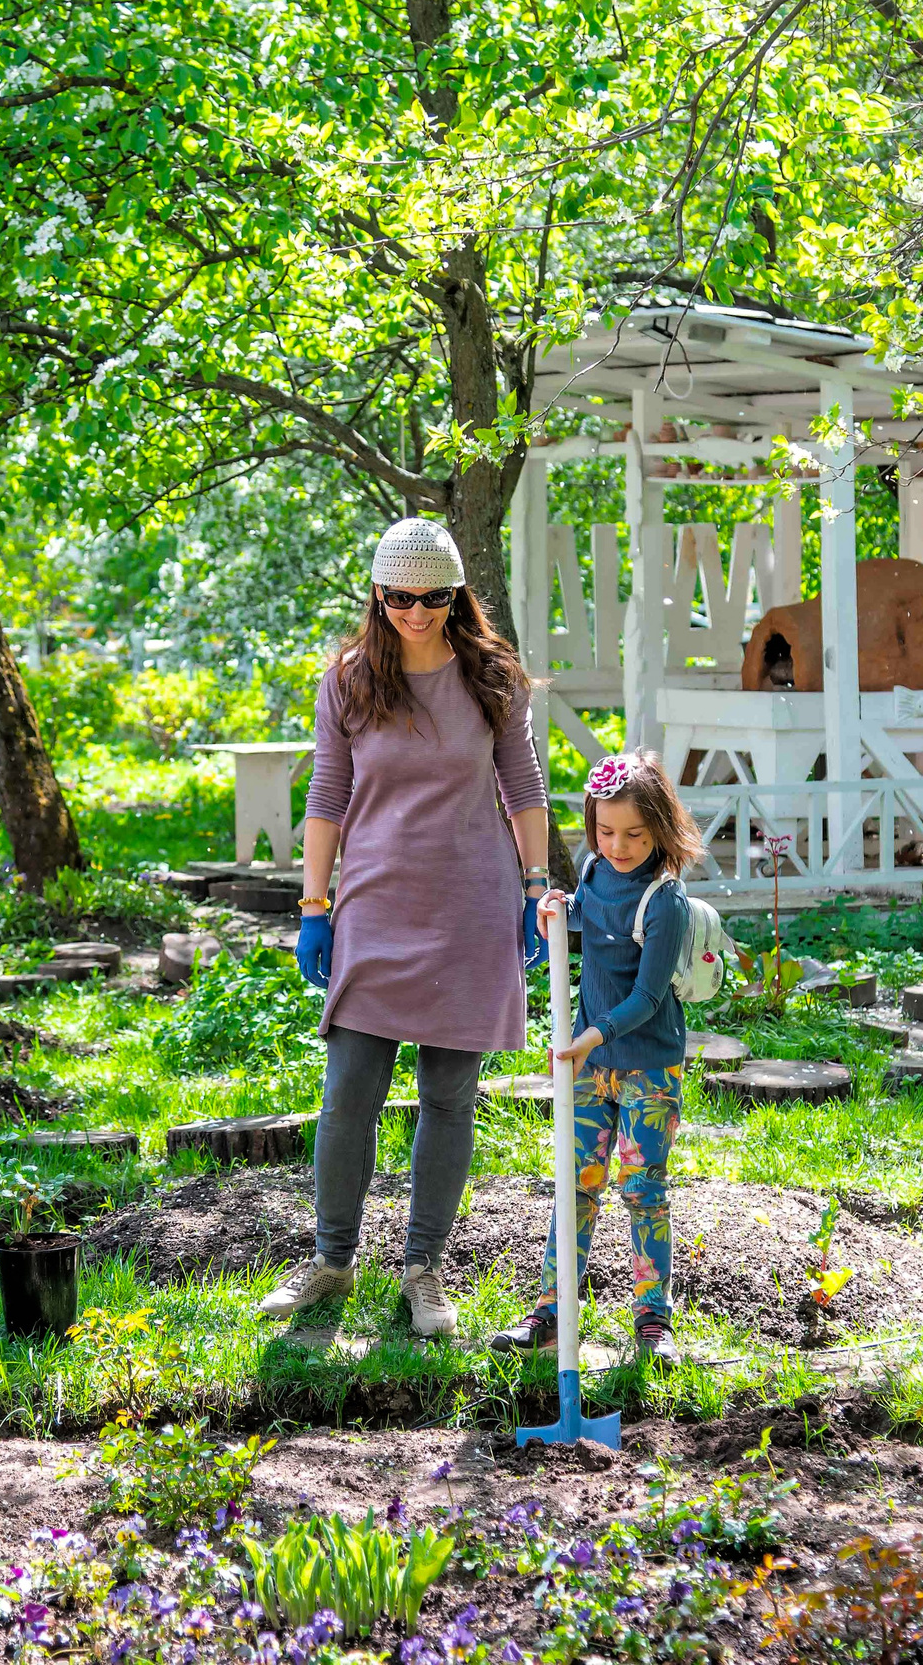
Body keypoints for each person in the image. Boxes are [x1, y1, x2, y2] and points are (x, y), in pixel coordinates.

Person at [259, 518, 552, 1338]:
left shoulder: (492, 678)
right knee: (350, 1089)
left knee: (448, 1096)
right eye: (398, 598)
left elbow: (525, 787)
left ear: (457, 596)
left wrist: (535, 886)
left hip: (471, 903)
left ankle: (424, 1268)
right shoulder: (349, 680)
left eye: (432, 598)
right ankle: (330, 1261)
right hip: (377, 903)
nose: (415, 612)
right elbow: (326, 798)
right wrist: (314, 906)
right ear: (377, 595)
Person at [492, 752, 704, 1364]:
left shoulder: (666, 901)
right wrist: (561, 908)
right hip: (590, 1064)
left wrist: (592, 1037)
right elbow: (593, 919)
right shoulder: (595, 870)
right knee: (575, 1184)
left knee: (641, 1186)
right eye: (605, 831)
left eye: (635, 835)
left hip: (647, 1064)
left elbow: (646, 995)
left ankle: (653, 1320)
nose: (618, 845)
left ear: (659, 828)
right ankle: (552, 1311)